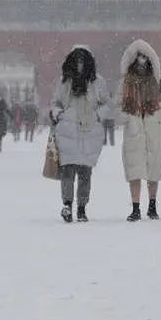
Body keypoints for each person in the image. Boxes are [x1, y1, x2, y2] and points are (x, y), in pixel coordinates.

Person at [50, 45, 113, 223]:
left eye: (82, 60)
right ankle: (68, 205)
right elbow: (55, 102)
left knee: (85, 172)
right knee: (67, 171)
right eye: (77, 60)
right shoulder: (64, 82)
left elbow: (108, 104)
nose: (79, 64)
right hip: (68, 130)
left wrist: (97, 116)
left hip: (89, 130)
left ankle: (82, 207)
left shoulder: (97, 82)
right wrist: (59, 114)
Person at [117, 39, 161, 221]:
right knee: (134, 169)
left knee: (153, 170)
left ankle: (152, 204)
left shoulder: (160, 82)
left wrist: (155, 116)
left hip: (153, 130)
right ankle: (135, 207)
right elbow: (118, 106)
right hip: (134, 130)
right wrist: (129, 116)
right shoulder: (126, 83)